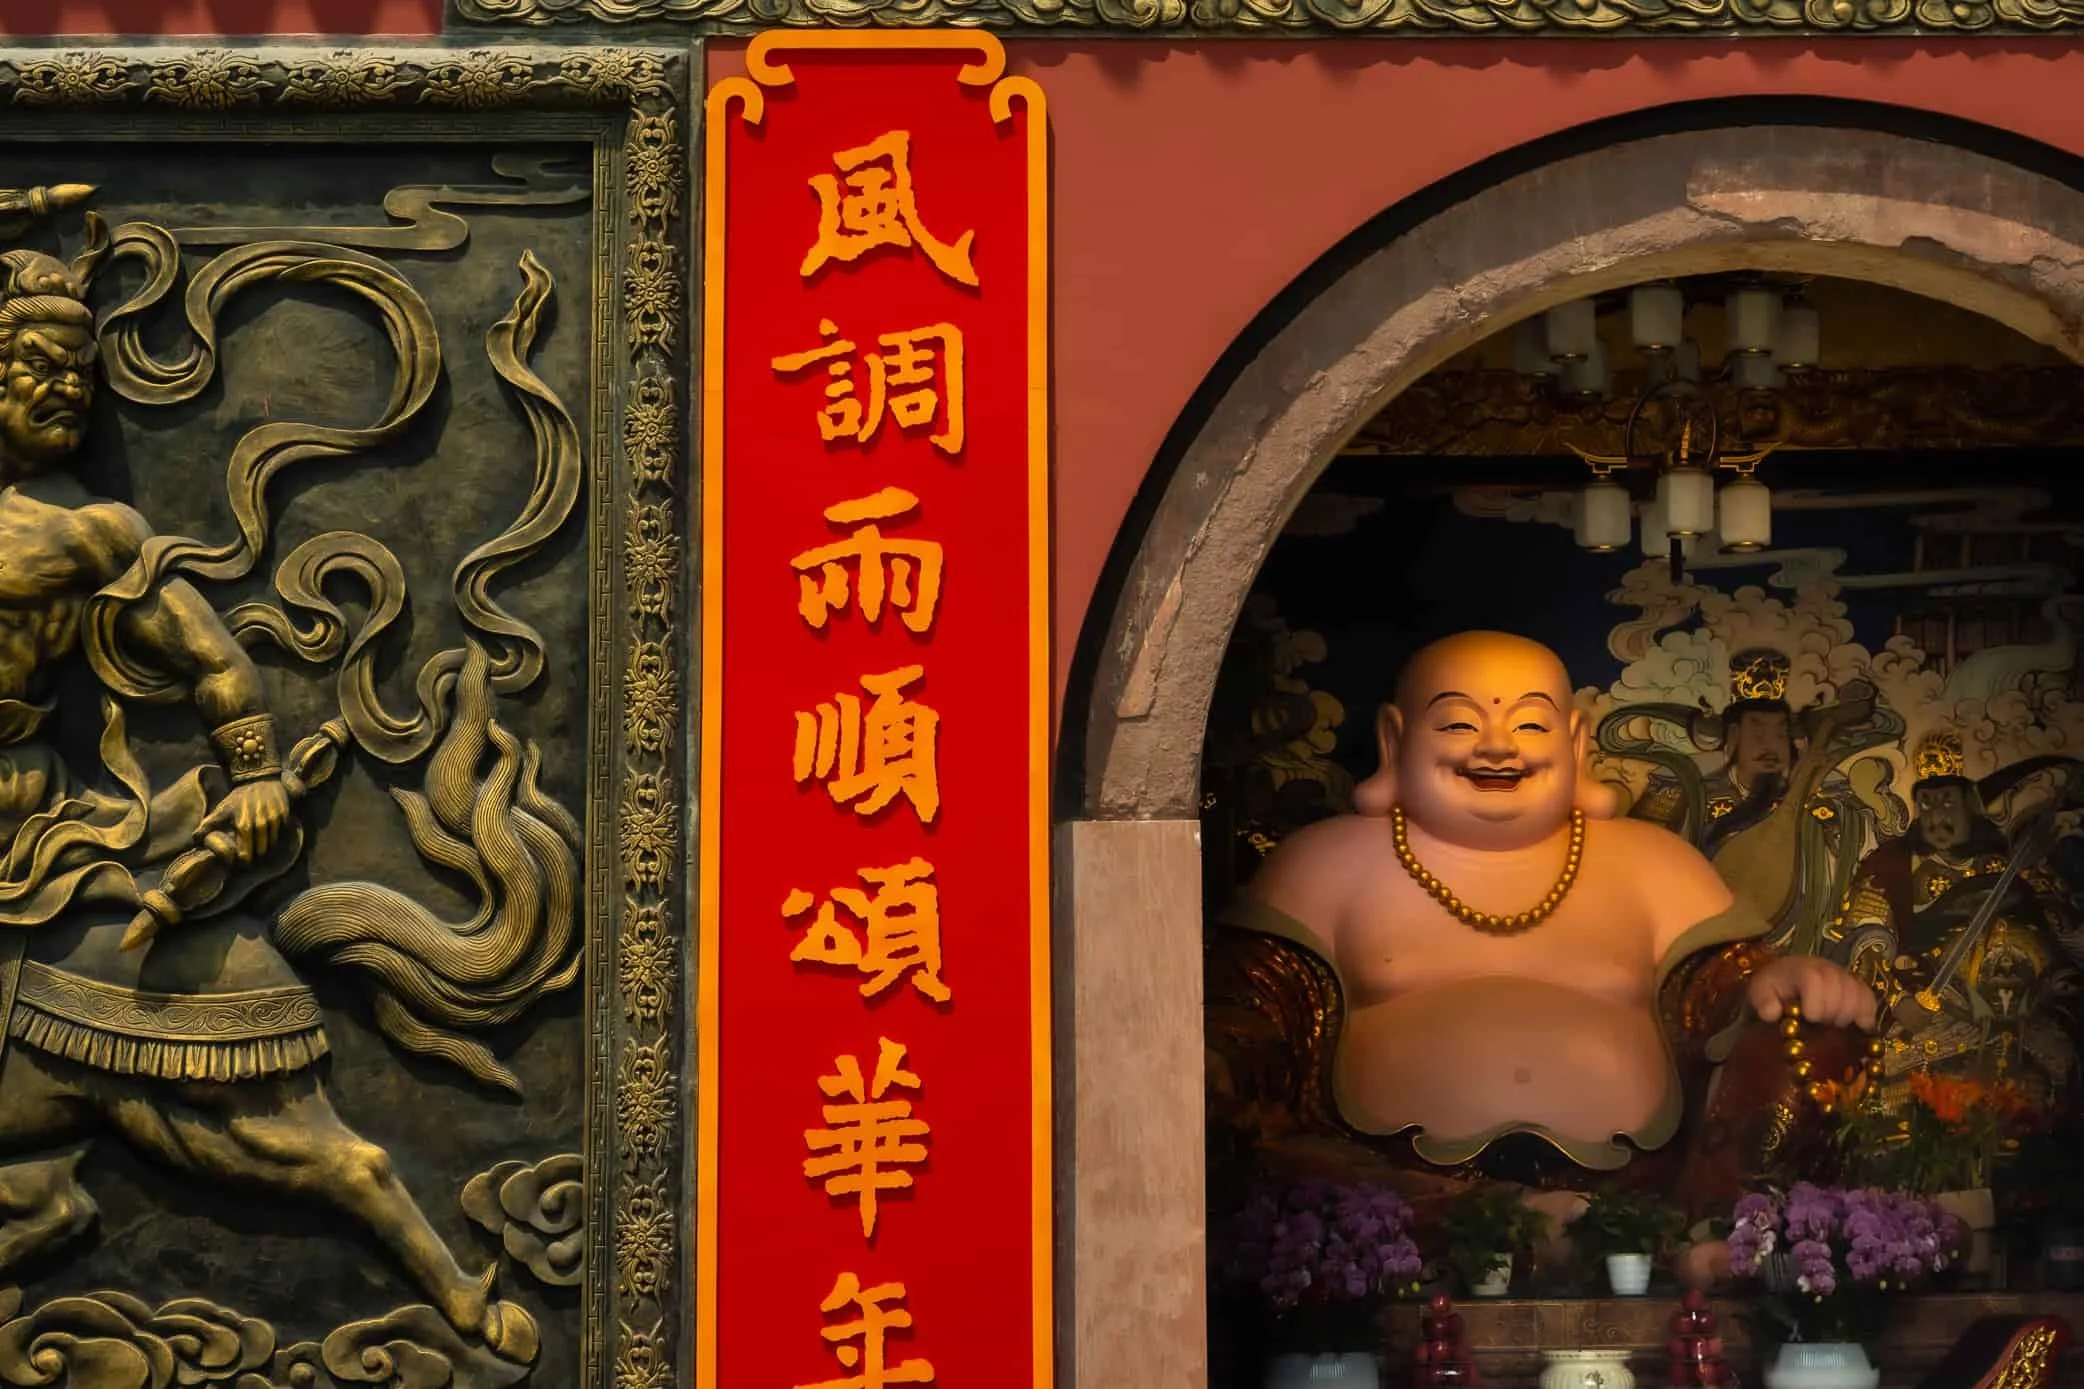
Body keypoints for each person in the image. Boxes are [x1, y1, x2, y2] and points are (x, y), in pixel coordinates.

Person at [1226, 630, 1878, 1192]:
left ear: (1575, 741)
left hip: (1642, 1193)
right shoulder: (1328, 864)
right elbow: (1251, 1006)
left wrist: (1773, 983)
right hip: (1388, 1200)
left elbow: (1720, 992)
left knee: (1811, 1039)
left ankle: (1712, 1241)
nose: (1497, 748)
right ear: (1394, 741)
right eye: (1459, 724)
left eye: (1531, 725)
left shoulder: (1654, 864)